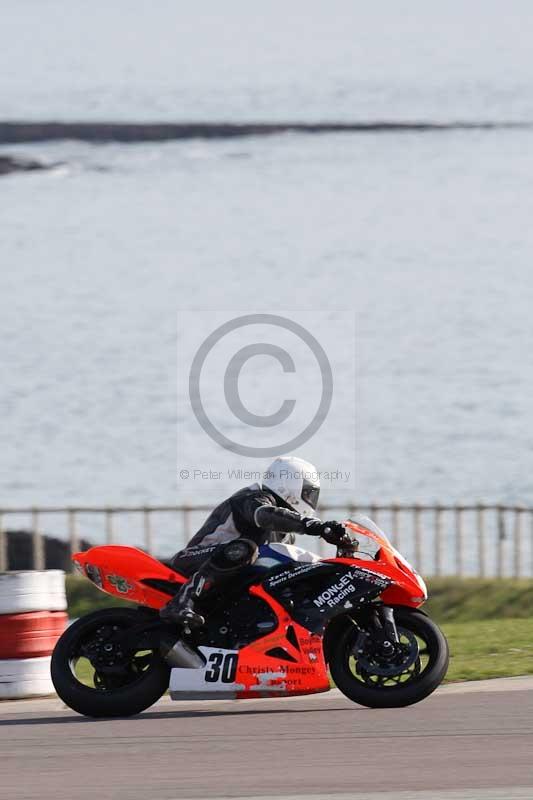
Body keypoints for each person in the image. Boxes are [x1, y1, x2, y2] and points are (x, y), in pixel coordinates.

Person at [161, 455, 348, 627]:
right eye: (308, 493)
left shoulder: (286, 534)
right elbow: (264, 515)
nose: (311, 499)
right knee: (246, 549)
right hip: (193, 560)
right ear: (290, 485)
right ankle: (182, 601)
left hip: (224, 580)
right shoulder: (253, 498)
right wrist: (313, 526)